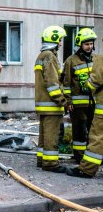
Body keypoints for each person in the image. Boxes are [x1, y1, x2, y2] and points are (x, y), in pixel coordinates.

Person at [34, 25, 69, 173]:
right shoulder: (49, 56)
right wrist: (63, 101)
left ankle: (42, 160)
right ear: (54, 40)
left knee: (43, 134)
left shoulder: (41, 56)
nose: (61, 43)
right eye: (60, 40)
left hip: (43, 105)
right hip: (51, 105)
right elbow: (53, 83)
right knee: (51, 134)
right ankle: (50, 164)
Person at [62, 28, 97, 163]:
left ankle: (92, 156)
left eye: (91, 44)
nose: (89, 47)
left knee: (93, 130)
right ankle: (79, 156)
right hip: (77, 104)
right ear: (80, 44)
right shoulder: (71, 61)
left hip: (94, 102)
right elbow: (66, 83)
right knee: (79, 131)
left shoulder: (96, 59)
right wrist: (68, 101)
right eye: (86, 44)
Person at [66, 55, 103, 178]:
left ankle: (86, 169)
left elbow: (94, 83)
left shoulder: (101, 59)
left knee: (97, 137)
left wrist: (86, 83)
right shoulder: (71, 60)